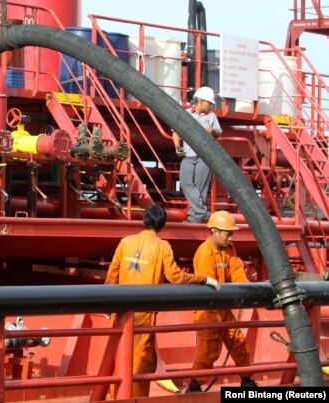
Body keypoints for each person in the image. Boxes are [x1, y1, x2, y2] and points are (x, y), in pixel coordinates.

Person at [104, 204, 220, 398]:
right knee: (140, 364)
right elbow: (176, 277)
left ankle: (113, 397)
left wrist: (106, 304)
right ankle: (134, 399)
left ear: (144, 221)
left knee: (119, 359)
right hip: (144, 317)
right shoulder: (162, 246)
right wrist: (203, 279)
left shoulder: (125, 243)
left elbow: (112, 276)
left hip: (121, 313)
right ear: (162, 225)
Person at [185, 210, 257, 392]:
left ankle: (247, 379)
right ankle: (194, 386)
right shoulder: (204, 254)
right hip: (208, 310)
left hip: (222, 307)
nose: (230, 238)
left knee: (238, 342)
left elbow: (237, 272)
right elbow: (210, 286)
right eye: (227, 233)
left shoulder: (229, 249)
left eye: (232, 234)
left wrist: (248, 289)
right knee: (210, 350)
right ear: (214, 231)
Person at [172, 86, 222, 223]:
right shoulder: (186, 114)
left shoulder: (212, 117)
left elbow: (218, 133)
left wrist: (212, 130)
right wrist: (177, 147)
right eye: (209, 103)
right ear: (200, 101)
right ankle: (201, 212)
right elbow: (176, 131)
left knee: (200, 188)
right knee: (185, 183)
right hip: (188, 156)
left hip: (204, 158)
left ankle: (193, 219)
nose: (211, 106)